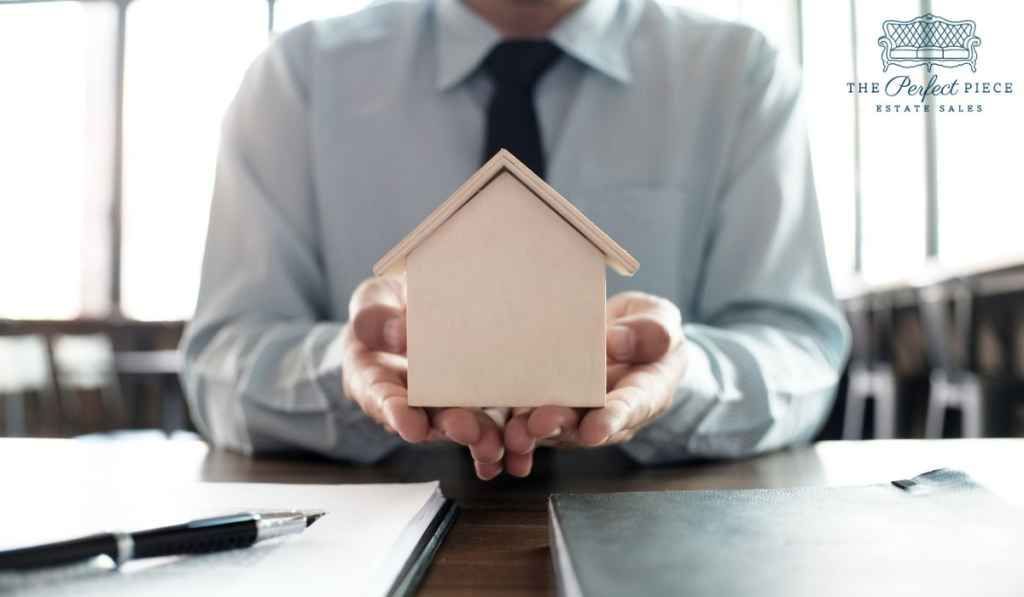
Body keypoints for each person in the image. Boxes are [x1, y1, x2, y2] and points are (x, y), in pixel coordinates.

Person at [181, 0, 850, 480]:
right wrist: (347, 367)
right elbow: (220, 359)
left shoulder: (739, 75)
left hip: (655, 541)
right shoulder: (296, 80)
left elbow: (801, 348)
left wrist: (683, 375)